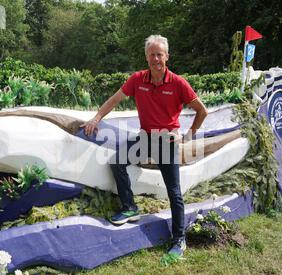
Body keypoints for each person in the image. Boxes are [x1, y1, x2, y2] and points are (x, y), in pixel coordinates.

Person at [82, 35, 208, 257]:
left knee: (174, 192)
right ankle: (129, 207)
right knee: (117, 161)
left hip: (167, 141)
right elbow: (114, 99)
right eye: (152, 55)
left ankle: (179, 239)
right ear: (146, 57)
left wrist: (188, 137)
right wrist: (95, 119)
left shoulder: (178, 83)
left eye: (159, 54)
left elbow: (202, 110)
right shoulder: (138, 79)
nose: (156, 59)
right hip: (145, 138)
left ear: (167, 56)